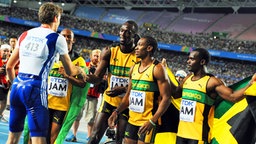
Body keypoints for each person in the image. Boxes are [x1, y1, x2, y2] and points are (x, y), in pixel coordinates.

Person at [6, 3, 85, 144]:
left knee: (12, 138)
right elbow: (70, 71)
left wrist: (15, 85)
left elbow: (9, 66)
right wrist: (80, 70)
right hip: (35, 88)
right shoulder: (57, 38)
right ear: (56, 18)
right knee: (39, 139)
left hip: (17, 86)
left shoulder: (25, 34)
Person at [173, 48, 256, 144]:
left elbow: (233, 96)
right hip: (181, 134)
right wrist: (165, 73)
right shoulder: (187, 79)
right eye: (188, 58)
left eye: (192, 59)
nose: (188, 61)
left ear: (202, 62)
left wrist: (250, 83)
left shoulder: (211, 82)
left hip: (198, 136)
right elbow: (175, 94)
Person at [108, 36, 172, 144]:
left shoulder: (158, 68)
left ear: (149, 48)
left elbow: (167, 98)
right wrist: (116, 111)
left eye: (140, 45)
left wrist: (152, 121)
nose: (136, 48)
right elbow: (128, 96)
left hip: (148, 121)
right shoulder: (134, 68)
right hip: (132, 121)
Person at [85, 20, 141, 144]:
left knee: (119, 140)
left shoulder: (138, 57)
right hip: (109, 101)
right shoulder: (110, 51)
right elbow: (97, 77)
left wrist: (123, 89)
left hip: (127, 105)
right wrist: (84, 75)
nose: (123, 34)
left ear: (134, 36)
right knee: (94, 137)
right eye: (122, 30)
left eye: (128, 32)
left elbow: (140, 86)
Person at [47, 28, 87, 144]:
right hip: (45, 103)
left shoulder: (79, 60)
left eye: (69, 36)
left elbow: (82, 84)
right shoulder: (51, 54)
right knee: (38, 136)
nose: (66, 38)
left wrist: (67, 76)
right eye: (63, 35)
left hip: (62, 107)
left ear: (73, 40)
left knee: (52, 139)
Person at [65, 49, 102, 142]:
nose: (96, 58)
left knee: (91, 118)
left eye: (98, 56)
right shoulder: (85, 64)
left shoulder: (101, 68)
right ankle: (73, 134)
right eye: (95, 55)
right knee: (76, 115)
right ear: (91, 56)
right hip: (81, 94)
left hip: (93, 96)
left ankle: (89, 136)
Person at [0, 44, 11, 122]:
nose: (6, 52)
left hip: (5, 83)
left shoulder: (11, 60)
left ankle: (0, 114)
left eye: (7, 51)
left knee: (4, 101)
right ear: (0, 51)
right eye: (4, 51)